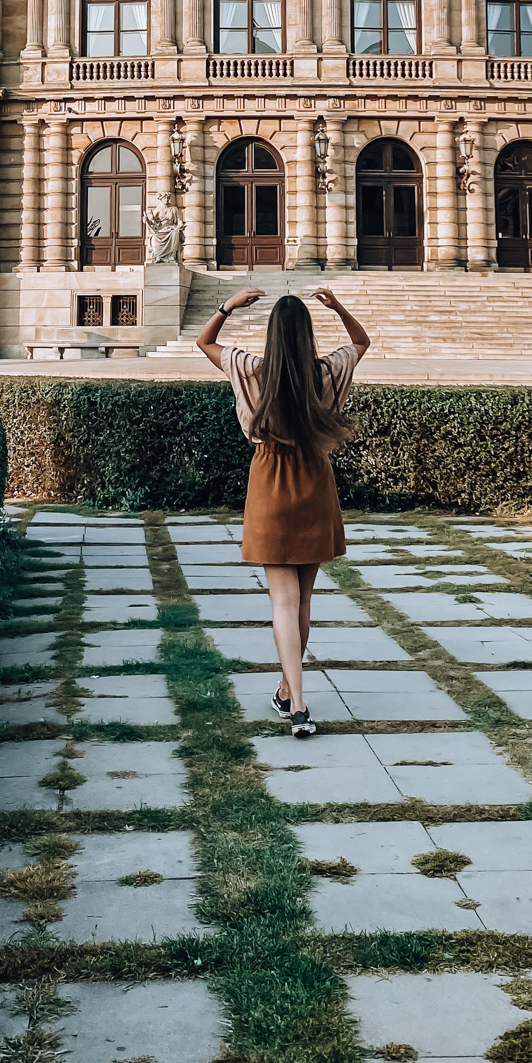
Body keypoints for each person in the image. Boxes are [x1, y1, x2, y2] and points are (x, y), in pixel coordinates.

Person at [196, 286, 370, 737]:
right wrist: (339, 307)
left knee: (283, 602)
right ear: (307, 334)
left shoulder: (253, 370)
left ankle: (298, 704)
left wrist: (227, 306)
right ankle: (288, 693)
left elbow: (205, 343)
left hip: (270, 482)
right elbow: (361, 343)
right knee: (304, 601)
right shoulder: (326, 373)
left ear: (272, 335)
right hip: (314, 480)